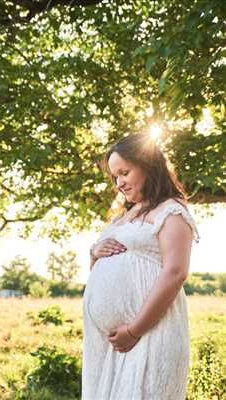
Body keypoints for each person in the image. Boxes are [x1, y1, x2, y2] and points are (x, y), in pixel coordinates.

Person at [82, 133, 200, 399]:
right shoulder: (125, 215)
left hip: (150, 335)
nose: (119, 183)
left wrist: (134, 330)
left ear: (147, 165)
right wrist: (95, 252)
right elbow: (102, 271)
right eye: (115, 177)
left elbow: (175, 272)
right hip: (111, 345)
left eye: (124, 172)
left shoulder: (171, 211)